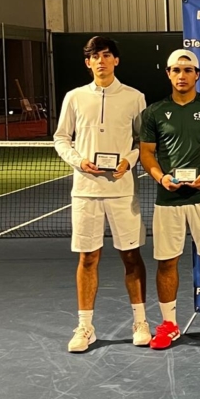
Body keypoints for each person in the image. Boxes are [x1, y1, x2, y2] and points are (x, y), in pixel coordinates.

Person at [53, 35, 149, 353]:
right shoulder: (74, 97)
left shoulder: (135, 97)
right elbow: (61, 138)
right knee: (88, 257)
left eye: (107, 55)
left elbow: (143, 142)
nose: (101, 61)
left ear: (116, 60)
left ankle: (140, 322)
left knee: (131, 256)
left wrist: (129, 161)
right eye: (95, 56)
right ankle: (85, 327)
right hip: (85, 192)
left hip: (122, 191)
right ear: (88, 63)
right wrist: (79, 161)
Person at [139, 48, 200, 349]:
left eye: (188, 70)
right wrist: (161, 177)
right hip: (168, 201)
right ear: (168, 74)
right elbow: (146, 153)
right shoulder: (154, 112)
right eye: (176, 70)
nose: (182, 75)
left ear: (197, 75)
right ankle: (169, 324)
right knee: (167, 262)